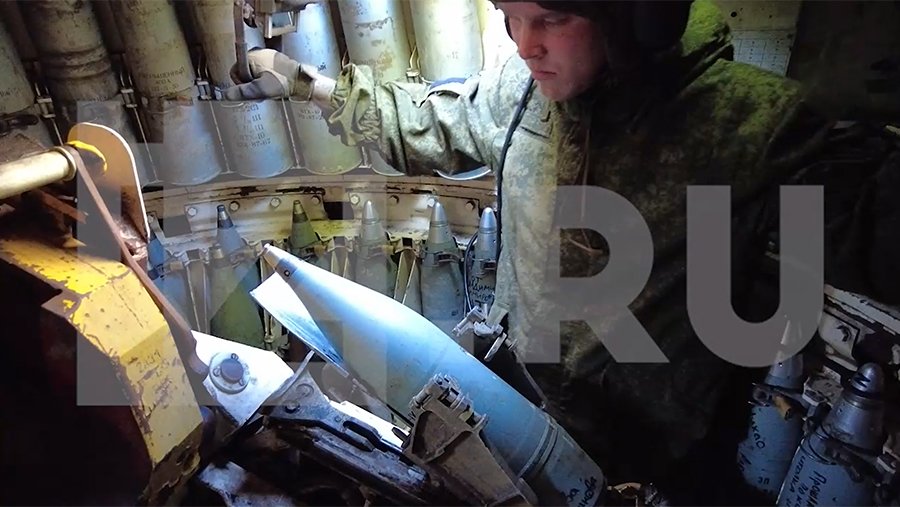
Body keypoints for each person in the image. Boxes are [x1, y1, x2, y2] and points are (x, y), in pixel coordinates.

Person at [225, 0, 838, 501]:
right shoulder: (521, 92)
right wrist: (307, 84)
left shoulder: (753, 125)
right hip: (521, 409)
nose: (524, 44)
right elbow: (429, 126)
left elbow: (862, 228)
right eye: (509, 17)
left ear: (636, 16)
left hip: (653, 456)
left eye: (551, 18)